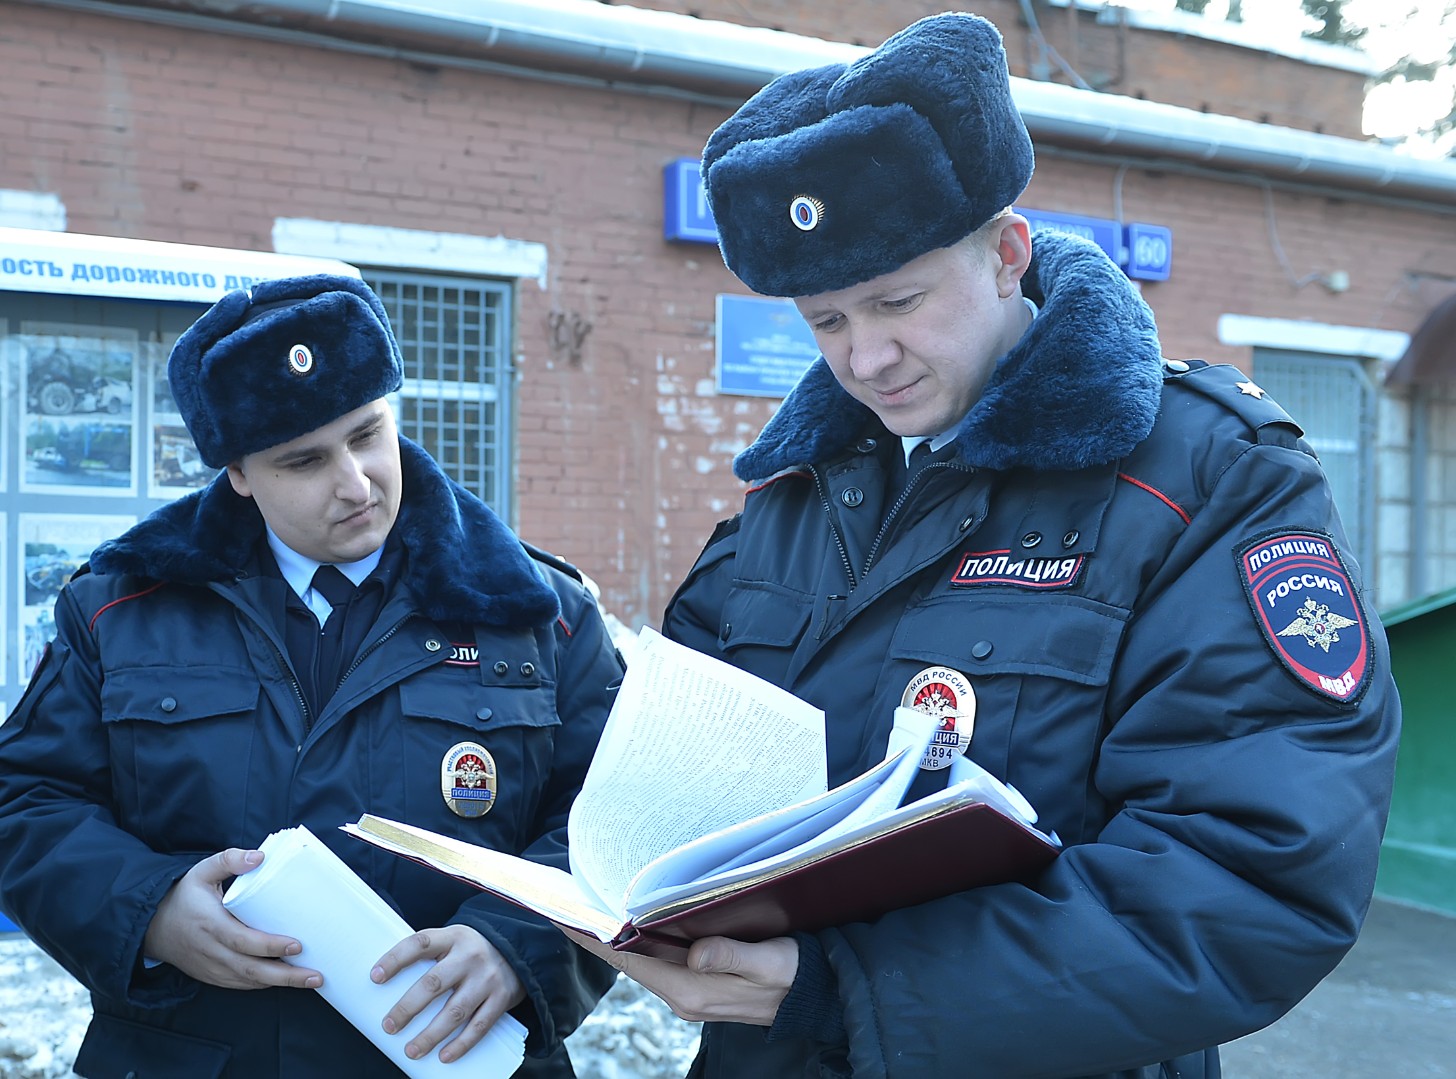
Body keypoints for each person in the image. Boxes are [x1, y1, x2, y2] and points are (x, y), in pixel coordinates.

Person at [566, 12, 1402, 1079]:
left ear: (1006, 254)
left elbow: (1254, 875)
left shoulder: (1206, 485)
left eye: (897, 299)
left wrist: (848, 989)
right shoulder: (793, 497)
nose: (864, 357)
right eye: (823, 320)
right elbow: (677, 770)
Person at [0, 275, 623, 1077]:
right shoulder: (122, 607)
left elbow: (619, 820)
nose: (357, 483)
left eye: (368, 434)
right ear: (240, 474)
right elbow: (24, 802)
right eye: (305, 460)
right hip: (194, 1053)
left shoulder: (539, 611)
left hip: (460, 1057)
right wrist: (147, 907)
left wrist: (519, 942)